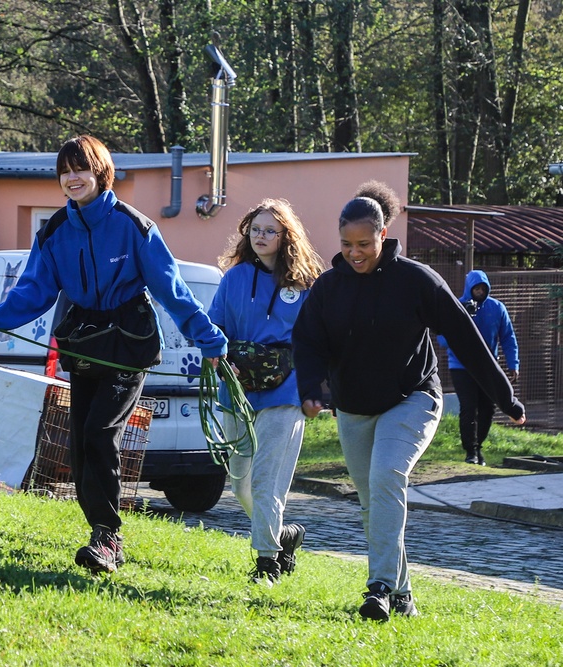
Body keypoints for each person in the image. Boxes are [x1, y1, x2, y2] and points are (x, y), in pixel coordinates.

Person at [0, 135, 227, 573]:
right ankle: (100, 532)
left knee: (100, 431)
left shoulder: (135, 226)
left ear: (101, 172)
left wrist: (209, 339)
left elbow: (173, 290)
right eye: (65, 171)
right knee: (81, 445)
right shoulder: (53, 231)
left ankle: (108, 537)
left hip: (128, 344)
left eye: (81, 169)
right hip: (84, 341)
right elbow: (34, 291)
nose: (73, 178)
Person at [292, 181, 525, 621]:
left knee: (386, 477)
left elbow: (465, 337)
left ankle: (377, 587)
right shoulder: (328, 288)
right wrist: (310, 390)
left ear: (383, 235)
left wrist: (505, 398)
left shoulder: (416, 281)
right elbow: (307, 342)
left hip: (413, 398)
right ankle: (401, 596)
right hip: (355, 407)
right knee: (372, 501)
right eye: (346, 244)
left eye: (364, 244)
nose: (354, 253)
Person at [208, 199, 325, 585]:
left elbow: (319, 339)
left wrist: (317, 387)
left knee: (265, 481)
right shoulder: (234, 278)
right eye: (254, 229)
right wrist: (220, 356)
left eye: (269, 231)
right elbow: (215, 328)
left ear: (285, 236)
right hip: (237, 391)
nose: (260, 236)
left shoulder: (306, 284)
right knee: (240, 483)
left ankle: (266, 564)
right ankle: (285, 536)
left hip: (285, 393)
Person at [436, 270, 520, 466]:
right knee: (468, 406)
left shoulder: (497, 308)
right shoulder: (457, 307)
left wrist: (513, 364)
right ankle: (470, 451)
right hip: (461, 365)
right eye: (476, 288)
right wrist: (464, 318)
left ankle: (478, 446)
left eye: (483, 288)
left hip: (488, 367)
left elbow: (508, 338)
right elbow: (442, 338)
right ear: (469, 288)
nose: (480, 291)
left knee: (487, 408)